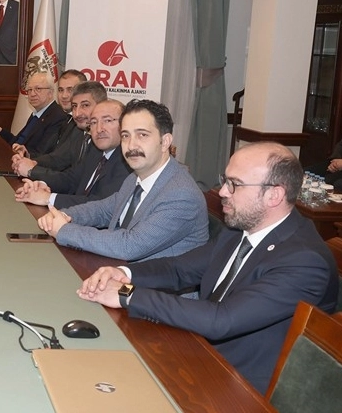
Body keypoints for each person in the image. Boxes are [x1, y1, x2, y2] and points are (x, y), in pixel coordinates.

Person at [78, 142, 339, 394]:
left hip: (239, 385)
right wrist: (124, 273)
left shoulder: (304, 260)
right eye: (225, 180)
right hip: (198, 351)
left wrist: (127, 294)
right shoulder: (239, 231)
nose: (222, 191)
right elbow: (179, 269)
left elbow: (221, 320)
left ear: (274, 195)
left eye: (234, 184)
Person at [36, 99, 207, 261]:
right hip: (113, 269)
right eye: (125, 136)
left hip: (148, 280)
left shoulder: (181, 194)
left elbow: (129, 246)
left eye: (142, 135)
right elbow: (103, 210)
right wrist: (64, 215)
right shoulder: (135, 178)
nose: (131, 145)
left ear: (165, 142)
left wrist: (65, 230)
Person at [15, 99, 131, 209]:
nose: (99, 129)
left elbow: (102, 205)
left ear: (125, 125)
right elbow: (71, 180)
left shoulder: (128, 161)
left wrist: (49, 198)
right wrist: (42, 186)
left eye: (108, 121)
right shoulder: (95, 150)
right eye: (94, 122)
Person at [13, 81, 106, 176]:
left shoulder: (104, 139)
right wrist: (32, 162)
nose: (77, 113)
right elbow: (58, 158)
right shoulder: (79, 131)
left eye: (85, 105)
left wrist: (32, 171)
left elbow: (73, 178)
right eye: (74, 106)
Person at [0, 72, 67, 156]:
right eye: (30, 90)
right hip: (14, 156)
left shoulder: (57, 116)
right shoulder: (37, 114)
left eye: (38, 89)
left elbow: (43, 153)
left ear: (50, 93)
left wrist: (25, 153)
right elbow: (17, 141)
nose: (32, 94)